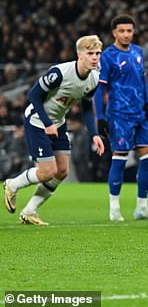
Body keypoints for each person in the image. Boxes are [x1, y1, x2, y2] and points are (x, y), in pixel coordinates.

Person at [3, 35, 105, 225]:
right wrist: (47, 123)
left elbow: (87, 107)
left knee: (62, 171)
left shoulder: (94, 78)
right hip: (37, 121)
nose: (94, 57)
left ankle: (30, 211)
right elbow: (33, 95)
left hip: (57, 123)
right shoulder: (60, 73)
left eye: (97, 53)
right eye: (90, 53)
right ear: (79, 54)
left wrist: (94, 135)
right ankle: (12, 184)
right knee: (47, 172)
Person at [94, 15, 148, 222]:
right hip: (119, 115)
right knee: (120, 158)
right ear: (114, 33)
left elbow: (142, 81)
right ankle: (114, 208)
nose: (126, 34)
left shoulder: (138, 52)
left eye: (129, 30)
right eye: (122, 31)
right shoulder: (107, 56)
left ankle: (142, 206)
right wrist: (100, 116)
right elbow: (100, 88)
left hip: (140, 114)